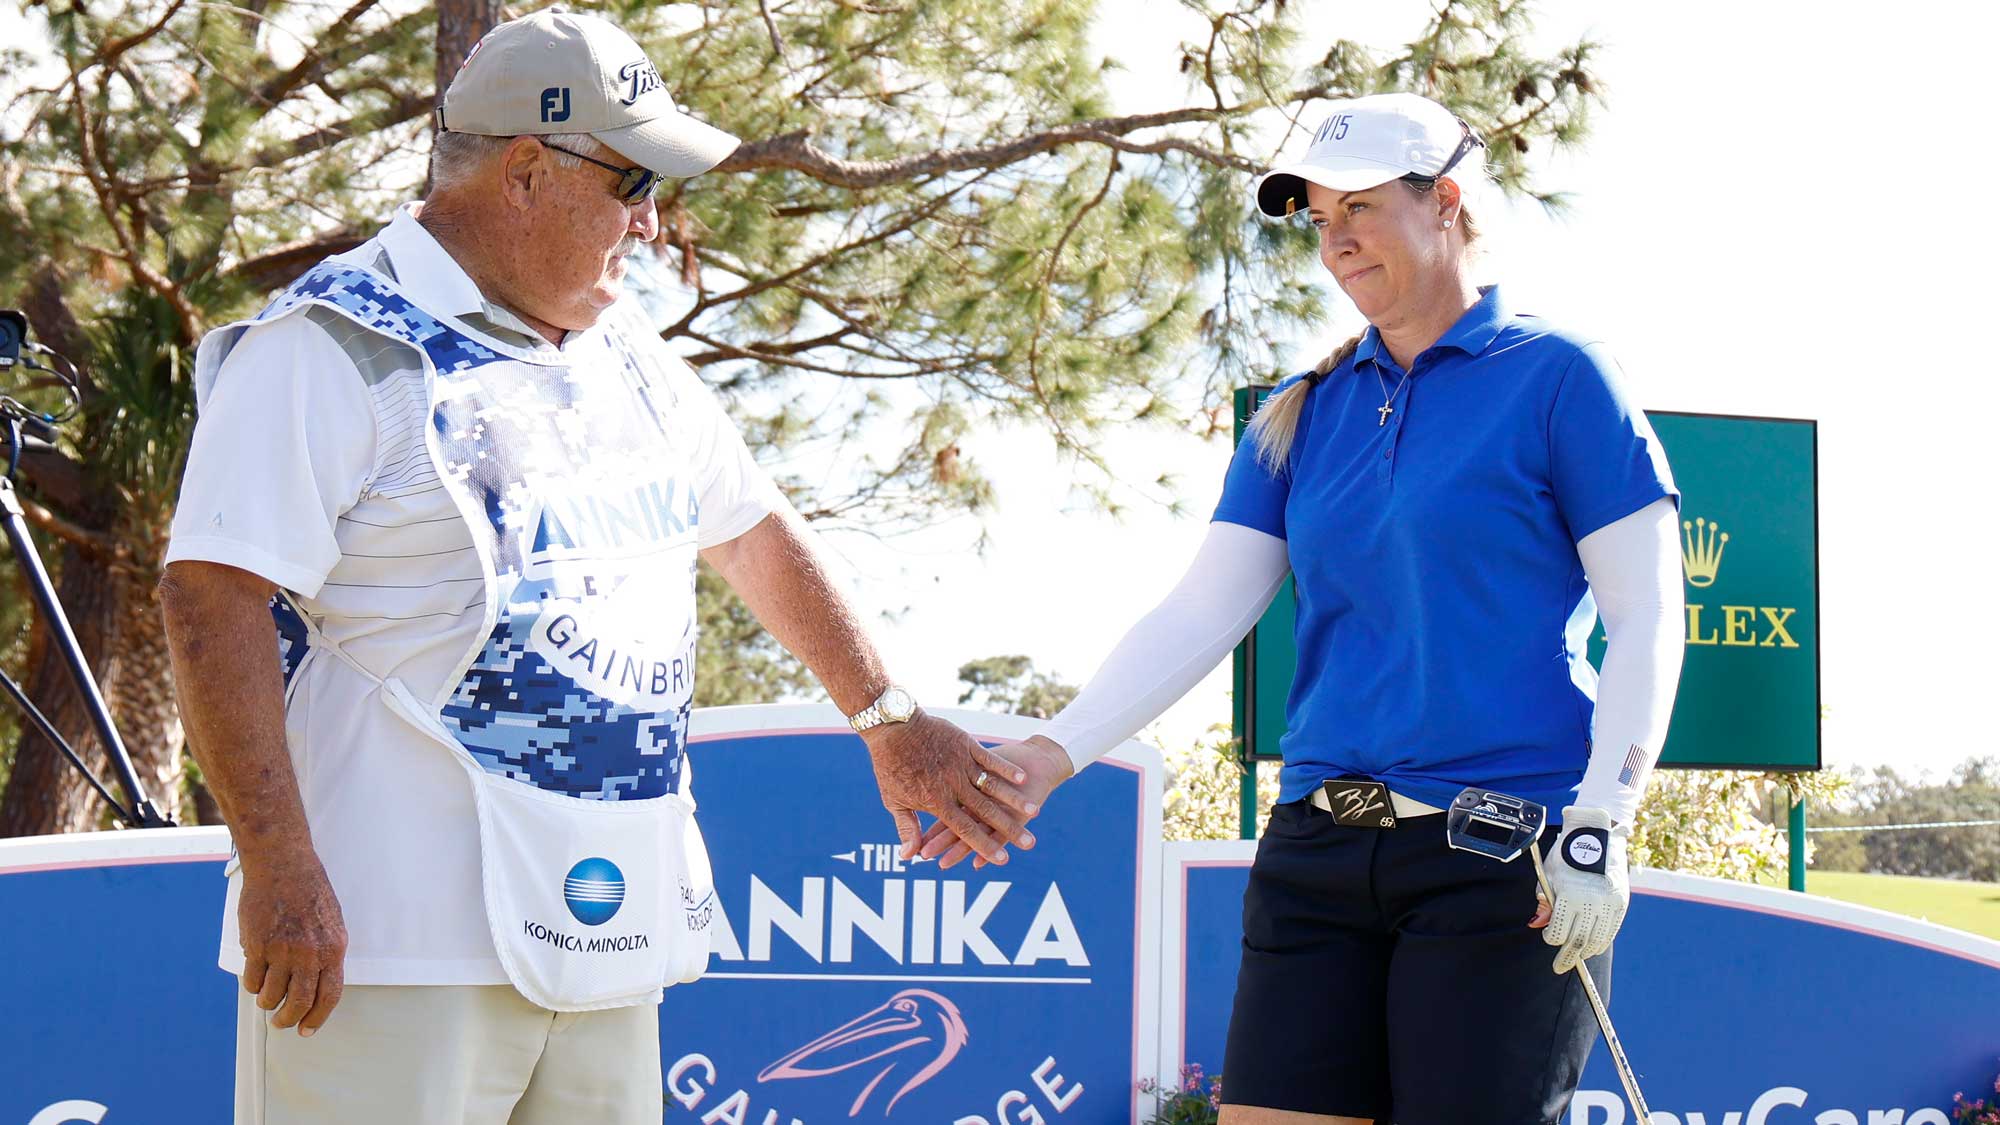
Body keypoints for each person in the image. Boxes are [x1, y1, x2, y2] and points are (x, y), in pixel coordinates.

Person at [156, 11, 1033, 1124]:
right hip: (385, 944)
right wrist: (277, 866)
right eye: (632, 184)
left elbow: (750, 529)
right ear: (526, 169)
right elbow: (210, 594)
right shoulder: (329, 345)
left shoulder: (629, 353)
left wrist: (888, 716)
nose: (656, 224)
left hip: (607, 935)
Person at [925, 92, 1685, 1124]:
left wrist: (1602, 819)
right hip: (1316, 854)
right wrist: (1053, 751)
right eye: (1319, 220)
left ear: (1446, 202)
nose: (1335, 242)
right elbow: (1201, 611)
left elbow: (1645, 615)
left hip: (1501, 859)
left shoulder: (1560, 378)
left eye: (1359, 209)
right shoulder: (1302, 409)